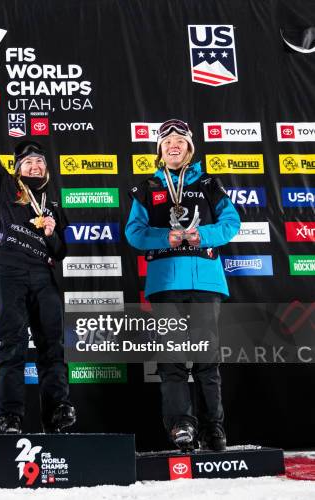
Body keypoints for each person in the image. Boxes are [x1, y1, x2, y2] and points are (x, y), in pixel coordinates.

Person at [0, 73, 76, 434]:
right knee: (12, 344)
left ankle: (57, 412)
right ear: (16, 169)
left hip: (43, 277)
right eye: (27, 162)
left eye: (40, 162)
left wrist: (53, 232)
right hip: (7, 271)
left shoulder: (53, 204)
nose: (34, 165)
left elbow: (61, 251)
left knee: (51, 347)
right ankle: (9, 415)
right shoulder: (2, 188)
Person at [125, 119, 240, 452]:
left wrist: (201, 235)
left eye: (180, 140)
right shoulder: (147, 188)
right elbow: (134, 232)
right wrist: (166, 236)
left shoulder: (208, 184)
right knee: (171, 359)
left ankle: (214, 428)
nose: (173, 145)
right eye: (167, 141)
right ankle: (181, 426)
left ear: (189, 147)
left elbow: (232, 222)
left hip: (206, 280)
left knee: (207, 358)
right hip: (165, 283)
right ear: (160, 149)